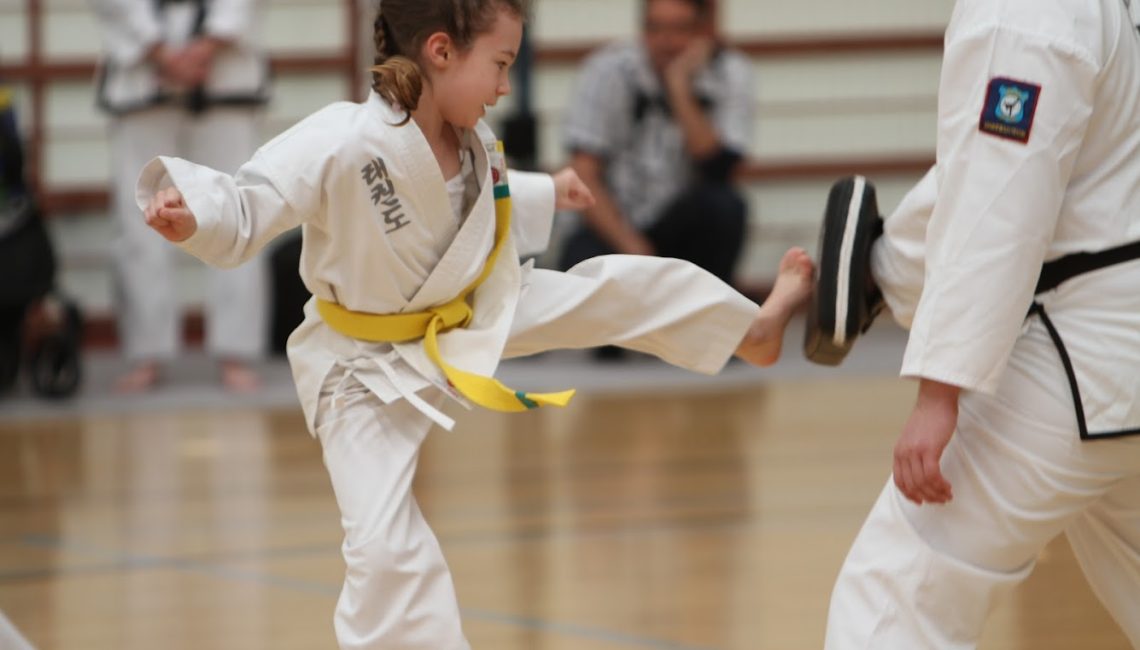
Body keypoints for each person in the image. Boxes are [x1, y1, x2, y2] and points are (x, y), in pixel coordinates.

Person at [135, 1, 813, 647]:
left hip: (467, 309)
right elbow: (255, 196)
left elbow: (477, 206)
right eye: (500, 63)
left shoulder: (472, 139)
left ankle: (750, 330)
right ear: (441, 51)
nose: (504, 84)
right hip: (357, 367)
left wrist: (549, 188)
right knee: (383, 548)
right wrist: (193, 212)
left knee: (611, 287)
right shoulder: (345, 137)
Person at [810, 0, 1140, 647]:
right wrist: (882, 270)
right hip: (1113, 347)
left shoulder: (1025, 8)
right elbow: (986, 168)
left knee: (898, 594)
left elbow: (999, 197)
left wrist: (940, 388)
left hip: (1089, 355)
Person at [92, 0, 271, 392]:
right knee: (139, 215)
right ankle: (147, 352)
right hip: (141, 72)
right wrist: (158, 49)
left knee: (237, 207)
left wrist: (207, 44)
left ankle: (236, 350)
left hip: (226, 69)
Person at [558, 0, 754, 287]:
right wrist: (636, 250)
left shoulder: (732, 72)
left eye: (679, 28)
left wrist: (678, 86)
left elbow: (718, 168)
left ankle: (706, 312)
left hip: (680, 228)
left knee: (726, 207)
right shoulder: (606, 70)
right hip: (614, 224)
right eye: (655, 28)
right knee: (578, 264)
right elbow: (584, 173)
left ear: (704, 30)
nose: (666, 40)